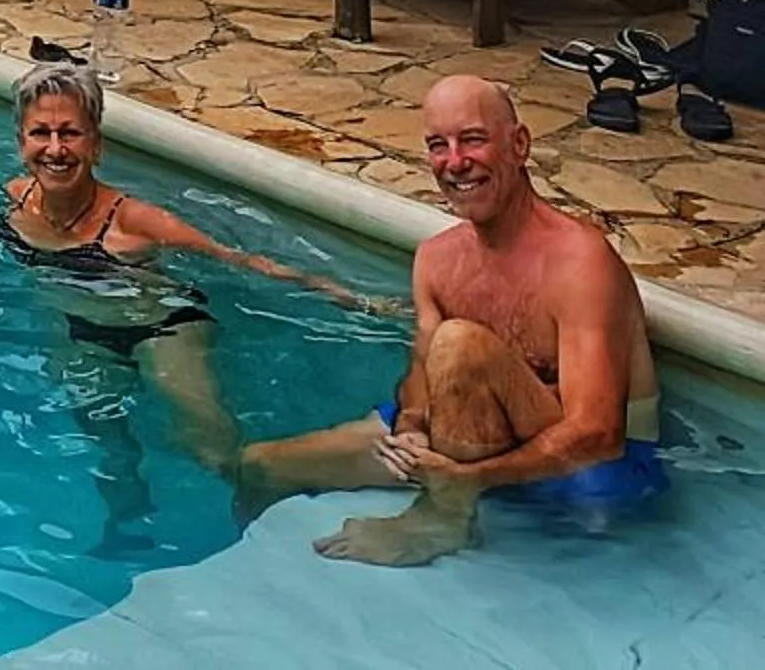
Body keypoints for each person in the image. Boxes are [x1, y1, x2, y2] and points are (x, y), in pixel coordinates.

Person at [240, 73, 665, 562]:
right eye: (438, 146)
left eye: (473, 140)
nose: (455, 162)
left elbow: (598, 434)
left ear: (519, 145)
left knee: (461, 344)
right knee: (260, 466)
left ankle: (441, 519)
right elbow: (421, 374)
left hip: (590, 470)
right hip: (464, 441)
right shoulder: (436, 259)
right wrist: (411, 428)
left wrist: (465, 480)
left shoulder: (580, 262)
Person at [0, 60, 369, 493]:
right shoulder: (16, 196)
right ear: (21, 143)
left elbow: (236, 259)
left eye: (70, 133)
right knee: (103, 438)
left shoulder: (134, 222)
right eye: (41, 133)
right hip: (79, 326)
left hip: (161, 327)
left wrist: (342, 294)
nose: (55, 149)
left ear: (96, 145)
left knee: (208, 445)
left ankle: (275, 479)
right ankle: (128, 510)